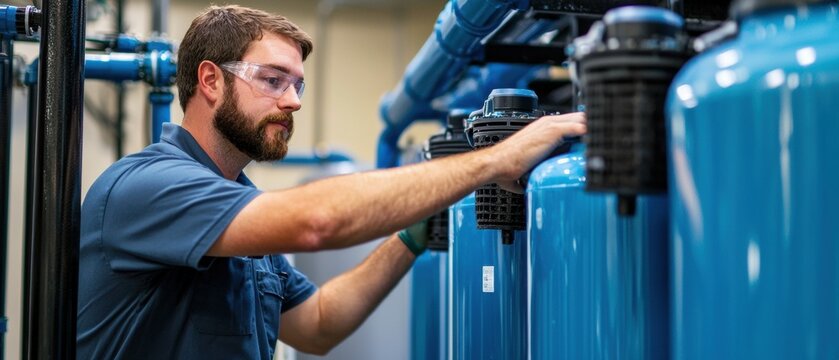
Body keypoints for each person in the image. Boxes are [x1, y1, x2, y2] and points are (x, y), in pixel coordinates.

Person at [76, 5, 587, 359]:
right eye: (273, 80)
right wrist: (496, 160)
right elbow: (319, 221)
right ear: (210, 81)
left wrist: (413, 232)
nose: (294, 101)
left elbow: (318, 324)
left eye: (297, 85)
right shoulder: (148, 186)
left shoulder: (240, 205)